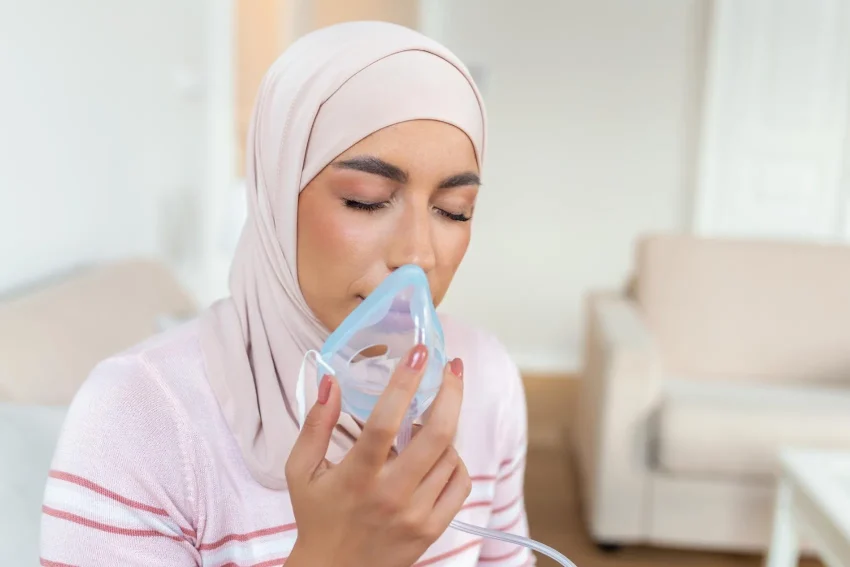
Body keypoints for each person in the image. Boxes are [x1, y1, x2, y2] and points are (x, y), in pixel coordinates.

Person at [39, 20, 534, 567]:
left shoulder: (487, 381)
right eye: (366, 200)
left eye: (453, 210)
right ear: (275, 196)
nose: (418, 253)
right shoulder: (138, 415)